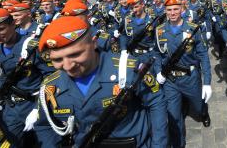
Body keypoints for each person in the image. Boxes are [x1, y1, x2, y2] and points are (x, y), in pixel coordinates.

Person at [34, 16, 168, 147]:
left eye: (75, 54)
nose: (68, 66)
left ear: (93, 43)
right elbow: (44, 125)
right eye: (57, 60)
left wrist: (159, 144)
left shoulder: (127, 69)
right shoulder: (50, 87)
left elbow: (156, 102)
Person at [154, 0, 212, 148]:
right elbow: (157, 54)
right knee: (174, 117)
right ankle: (179, 144)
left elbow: (203, 56)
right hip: (170, 81)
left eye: (175, 9)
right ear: (165, 11)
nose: (172, 13)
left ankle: (204, 111)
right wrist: (158, 72)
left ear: (181, 9)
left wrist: (207, 82)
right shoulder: (159, 30)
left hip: (190, 78)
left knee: (199, 106)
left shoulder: (192, 29)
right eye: (169, 10)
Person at [0, 8, 52, 146]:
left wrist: (38, 108)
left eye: (1, 29)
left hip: (34, 104)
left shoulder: (31, 46)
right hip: (10, 108)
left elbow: (52, 77)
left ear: (13, 24)